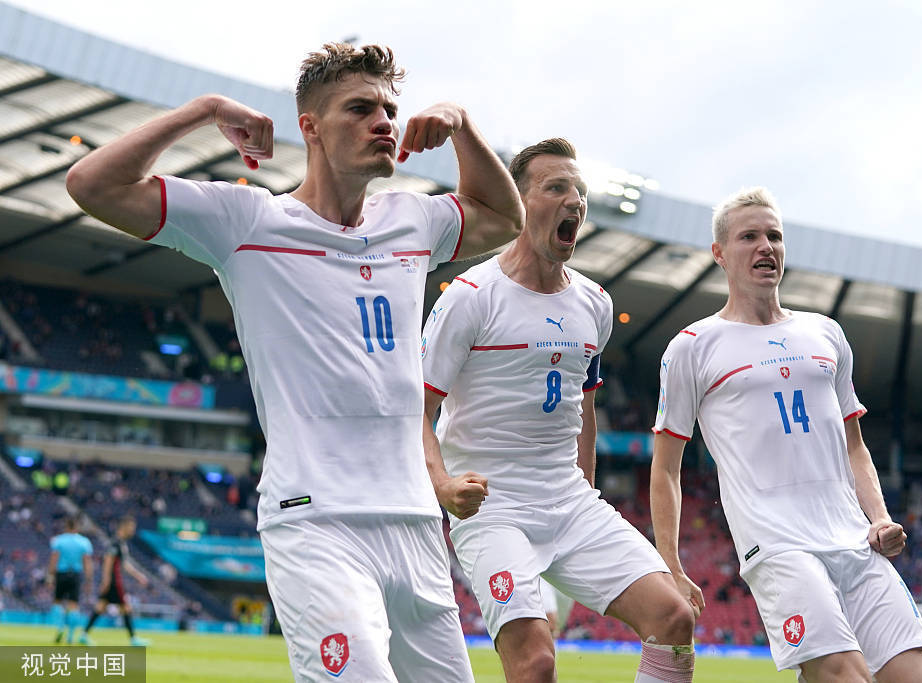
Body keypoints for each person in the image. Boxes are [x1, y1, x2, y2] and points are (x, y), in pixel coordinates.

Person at [66, 42, 522, 681]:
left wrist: (463, 126)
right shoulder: (246, 220)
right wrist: (203, 110)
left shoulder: (413, 219)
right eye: (359, 109)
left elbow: (505, 217)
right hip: (316, 520)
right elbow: (91, 184)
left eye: (389, 110)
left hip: (416, 521)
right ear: (310, 127)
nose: (383, 123)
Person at [421, 138, 701, 683]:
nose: (575, 200)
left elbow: (584, 410)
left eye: (580, 190)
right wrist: (442, 486)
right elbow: (416, 410)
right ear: (520, 202)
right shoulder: (471, 296)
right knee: (536, 662)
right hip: (493, 507)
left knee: (673, 618)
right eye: (556, 188)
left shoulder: (594, 303)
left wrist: (586, 493)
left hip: (570, 502)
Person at [650, 187, 922, 683]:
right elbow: (666, 469)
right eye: (749, 237)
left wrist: (879, 518)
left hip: (855, 543)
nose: (766, 246)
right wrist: (671, 565)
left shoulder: (826, 333)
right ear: (719, 253)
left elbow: (854, 446)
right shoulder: (692, 347)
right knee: (845, 675)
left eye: (775, 236)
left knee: (919, 677)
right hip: (778, 546)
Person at [78, 516, 150, 646]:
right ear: (124, 526)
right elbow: (108, 561)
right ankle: (133, 639)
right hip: (114, 581)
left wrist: (138, 576)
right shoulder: (115, 543)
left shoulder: (120, 543)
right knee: (125, 608)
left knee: (101, 607)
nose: (133, 530)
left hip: (113, 580)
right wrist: (106, 580)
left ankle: (84, 635)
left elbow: (124, 564)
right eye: (131, 527)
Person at [47, 515, 93, 643]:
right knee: (74, 606)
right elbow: (87, 563)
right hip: (76, 575)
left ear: (66, 526)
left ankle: (61, 626)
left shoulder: (58, 541)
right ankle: (71, 635)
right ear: (77, 527)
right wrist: (88, 580)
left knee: (57, 603)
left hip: (61, 574)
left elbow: (54, 560)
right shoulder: (84, 542)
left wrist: (50, 576)